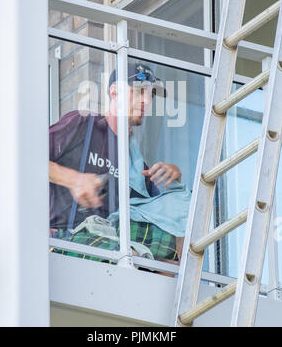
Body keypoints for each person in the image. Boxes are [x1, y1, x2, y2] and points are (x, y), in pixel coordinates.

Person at [49, 62, 191, 267]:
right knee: (129, 255)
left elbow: (164, 229)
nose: (147, 101)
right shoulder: (84, 125)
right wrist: (74, 179)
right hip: (67, 241)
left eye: (150, 94)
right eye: (139, 92)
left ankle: (170, 295)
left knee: (168, 242)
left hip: (116, 245)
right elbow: (28, 155)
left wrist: (174, 187)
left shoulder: (137, 165)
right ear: (114, 93)